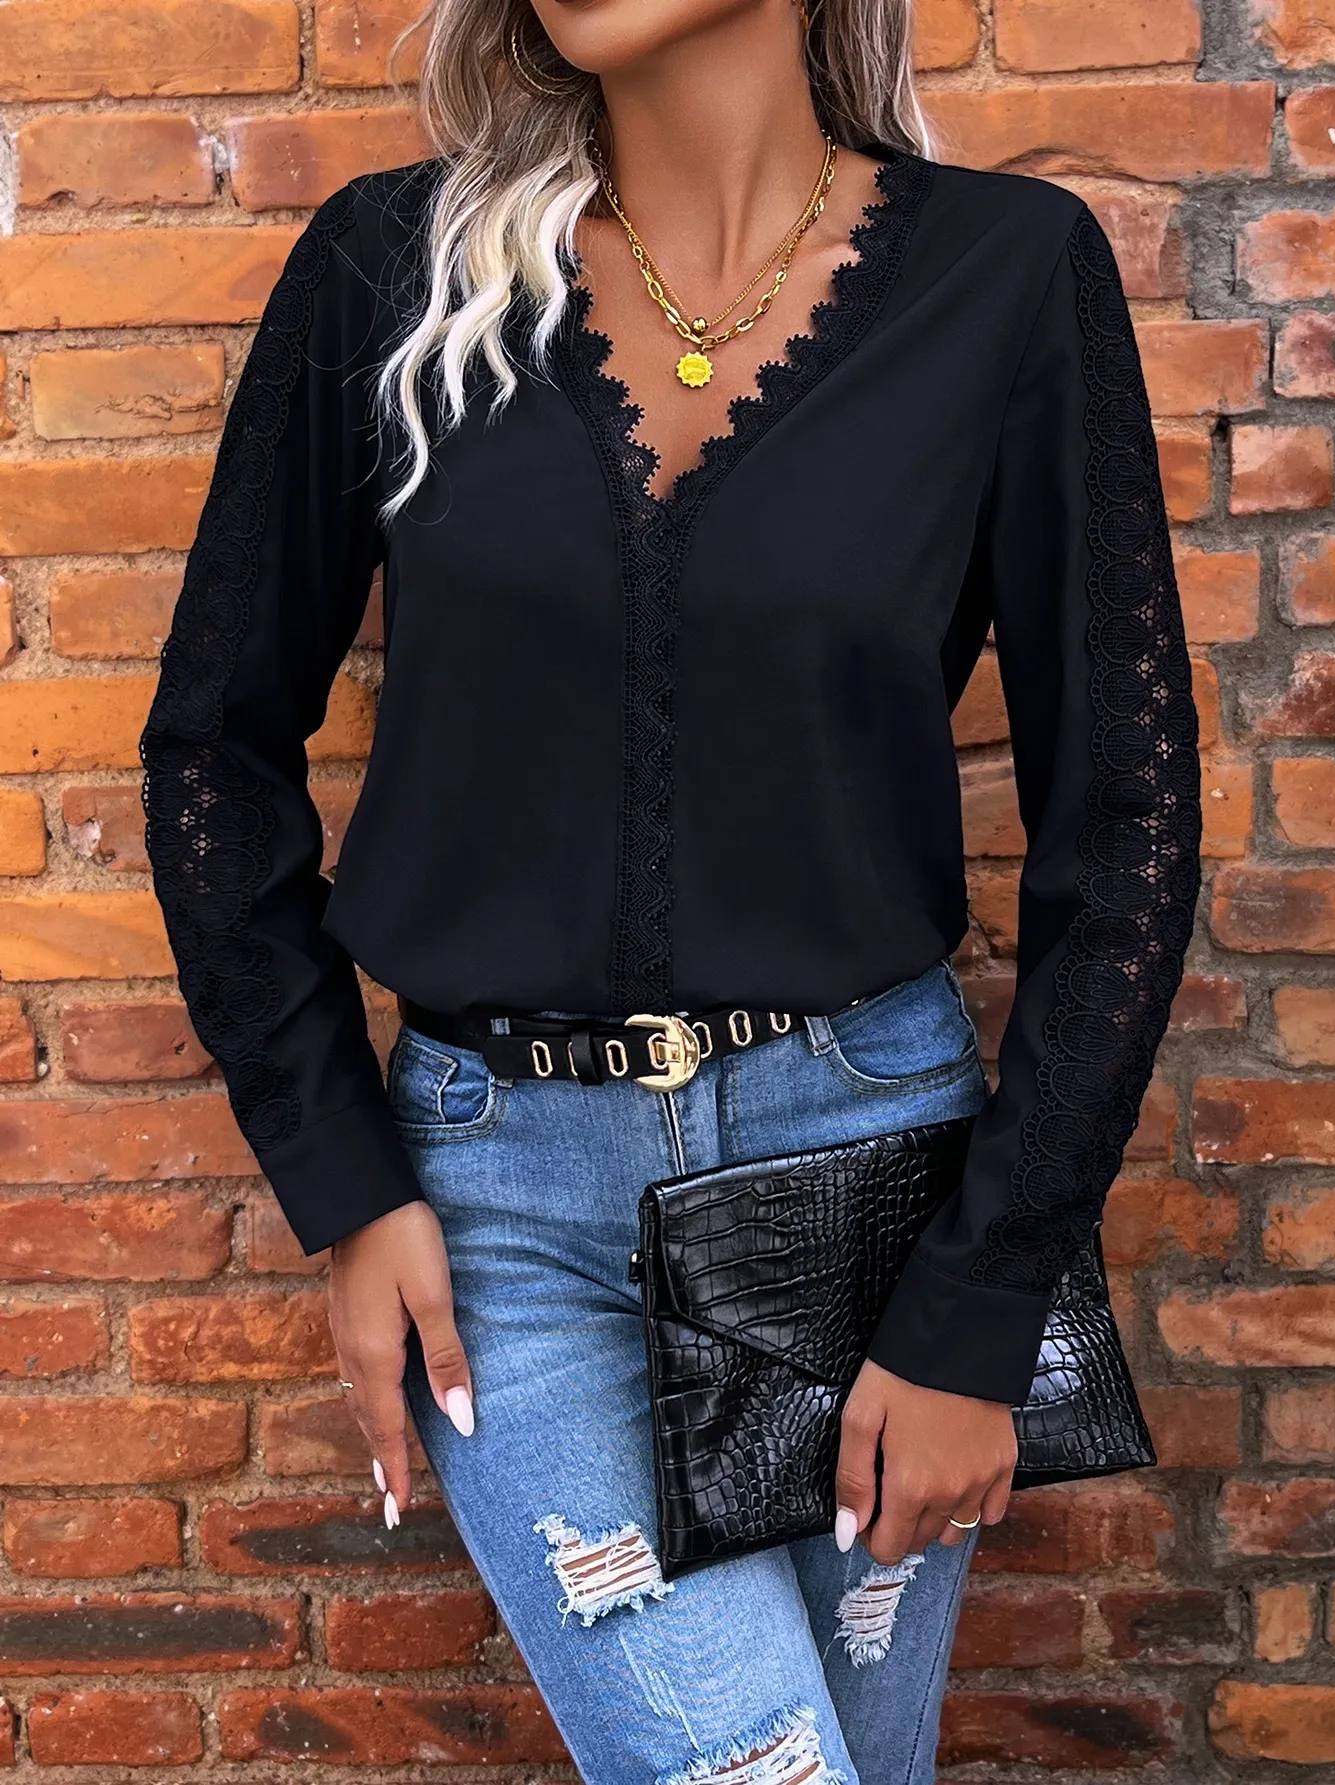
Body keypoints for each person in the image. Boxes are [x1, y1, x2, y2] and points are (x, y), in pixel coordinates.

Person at [138, 2, 1201, 1780]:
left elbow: (1127, 824)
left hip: (873, 1187)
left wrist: (987, 1295)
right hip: (503, 1214)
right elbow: (212, 749)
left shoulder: (1009, 276)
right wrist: (346, 1180)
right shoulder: (390, 271)